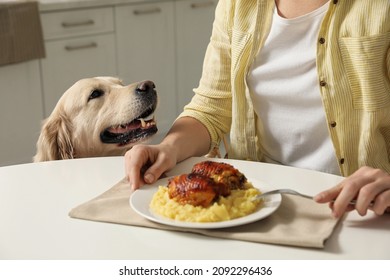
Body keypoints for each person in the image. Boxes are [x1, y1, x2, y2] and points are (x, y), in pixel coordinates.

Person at [125, 0, 390, 218]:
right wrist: (168, 148)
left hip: (358, 208)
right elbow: (211, 106)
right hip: (254, 204)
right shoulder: (236, 5)